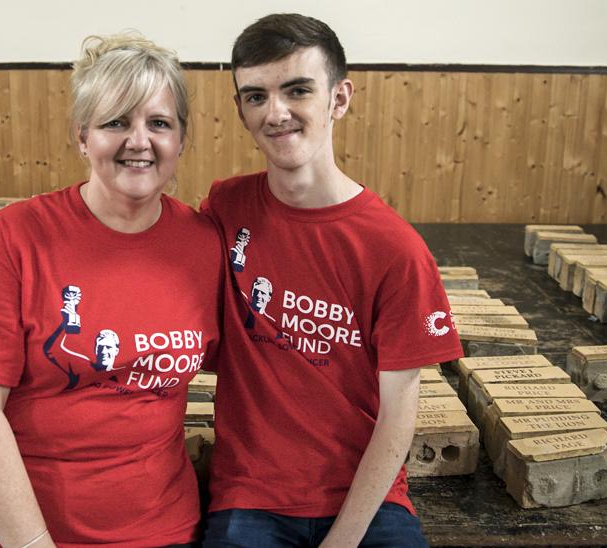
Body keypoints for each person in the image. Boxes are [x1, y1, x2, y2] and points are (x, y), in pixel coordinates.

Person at [0, 33, 224, 547]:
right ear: (83, 137)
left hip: (154, 525)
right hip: (4, 526)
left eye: (158, 123)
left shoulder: (205, 246)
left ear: (181, 140)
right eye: (116, 122)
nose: (139, 140)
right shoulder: (18, 236)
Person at [200, 13, 463, 547]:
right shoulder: (226, 208)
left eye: (297, 90)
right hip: (251, 497)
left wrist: (343, 539)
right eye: (256, 96)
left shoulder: (396, 249)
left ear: (339, 99)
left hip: (368, 502)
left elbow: (398, 417)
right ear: (241, 110)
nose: (276, 113)